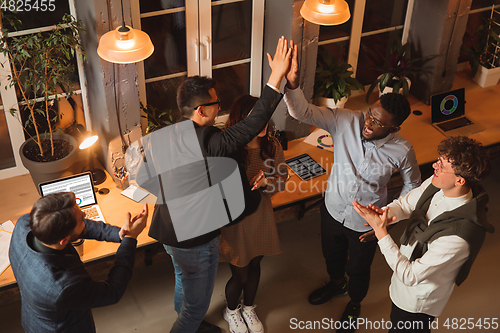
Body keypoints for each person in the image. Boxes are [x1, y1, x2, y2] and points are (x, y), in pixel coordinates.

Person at [145, 37, 292, 333]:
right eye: (216, 104)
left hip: (166, 229)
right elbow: (254, 122)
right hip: (194, 240)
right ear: (201, 111)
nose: (219, 107)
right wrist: (276, 77)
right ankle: (190, 324)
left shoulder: (169, 133)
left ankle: (189, 320)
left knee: (181, 281)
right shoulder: (211, 140)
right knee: (196, 306)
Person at [283, 42, 421, 332]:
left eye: (377, 123)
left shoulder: (402, 149)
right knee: (331, 254)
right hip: (332, 209)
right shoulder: (346, 120)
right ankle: (335, 284)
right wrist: (292, 85)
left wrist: (386, 221)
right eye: (370, 114)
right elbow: (301, 113)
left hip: (365, 224)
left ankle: (354, 303)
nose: (367, 123)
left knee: (359, 269)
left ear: (393, 128)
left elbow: (413, 186)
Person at [353, 136, 494, 333]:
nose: (435, 166)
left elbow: (410, 276)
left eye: (442, 165)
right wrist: (385, 214)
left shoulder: (458, 237)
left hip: (417, 301)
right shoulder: (439, 183)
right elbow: (406, 204)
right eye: (439, 159)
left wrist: (381, 233)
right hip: (402, 281)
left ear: (460, 180)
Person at [8, 192, 148, 333]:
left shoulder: (24, 223)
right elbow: (113, 292)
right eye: (82, 219)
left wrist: (118, 234)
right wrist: (130, 238)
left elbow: (71, 224)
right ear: (63, 241)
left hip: (34, 317)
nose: (85, 217)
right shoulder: (62, 286)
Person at [219, 95, 287, 333]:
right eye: (256, 119)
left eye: (264, 117)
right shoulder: (229, 149)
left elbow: (282, 181)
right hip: (236, 221)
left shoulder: (272, 145)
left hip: (261, 216)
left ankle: (248, 307)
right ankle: (231, 310)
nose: (264, 123)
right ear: (241, 121)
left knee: (256, 263)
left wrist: (266, 182)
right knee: (240, 273)